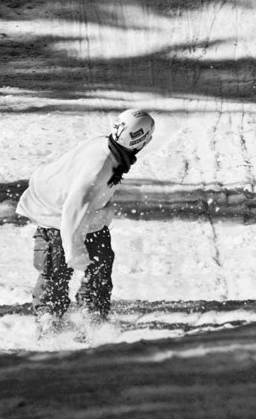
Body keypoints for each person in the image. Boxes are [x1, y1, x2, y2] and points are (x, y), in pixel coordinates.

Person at [16, 109, 155, 337]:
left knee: (101, 260)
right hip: (53, 210)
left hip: (86, 214)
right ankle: (48, 316)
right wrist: (74, 252)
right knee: (56, 263)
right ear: (141, 140)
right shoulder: (98, 169)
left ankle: (93, 311)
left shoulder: (112, 150)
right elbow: (73, 210)